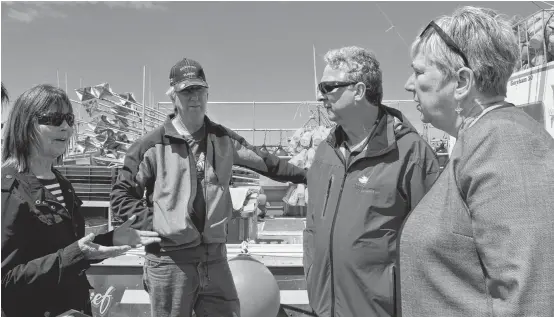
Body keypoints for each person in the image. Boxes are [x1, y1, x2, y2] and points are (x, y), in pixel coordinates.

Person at [110, 57, 307, 317]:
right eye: (186, 91)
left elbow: (268, 163)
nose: (194, 98)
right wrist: (157, 225)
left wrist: (308, 176)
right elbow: (121, 196)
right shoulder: (151, 145)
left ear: (207, 93)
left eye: (199, 90)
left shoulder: (223, 139)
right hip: (170, 261)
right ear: (173, 97)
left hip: (215, 258)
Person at [399, 6, 554, 316]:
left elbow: (529, 294)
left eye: (418, 72)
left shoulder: (505, 142)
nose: (408, 84)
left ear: (461, 82)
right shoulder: (478, 140)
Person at [1, 84, 161, 317]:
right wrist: (76, 254)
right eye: (54, 118)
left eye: (69, 118)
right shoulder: (8, 189)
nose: (65, 126)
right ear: (26, 125)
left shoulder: (62, 184)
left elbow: (71, 248)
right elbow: (5, 280)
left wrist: (112, 237)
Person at [303, 46, 439, 317]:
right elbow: (313, 228)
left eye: (329, 87)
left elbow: (433, 247)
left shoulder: (409, 153)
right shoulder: (324, 153)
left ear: (359, 91)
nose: (321, 96)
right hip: (323, 308)